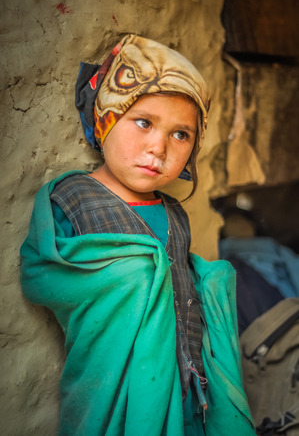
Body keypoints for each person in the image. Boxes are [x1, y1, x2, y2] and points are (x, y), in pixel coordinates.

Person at [20, 34, 255, 436]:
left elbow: (184, 284)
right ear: (106, 116)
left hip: (188, 387)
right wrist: (134, 275)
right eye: (143, 122)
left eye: (181, 134)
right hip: (117, 390)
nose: (158, 147)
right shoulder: (73, 198)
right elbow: (47, 274)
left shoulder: (174, 213)